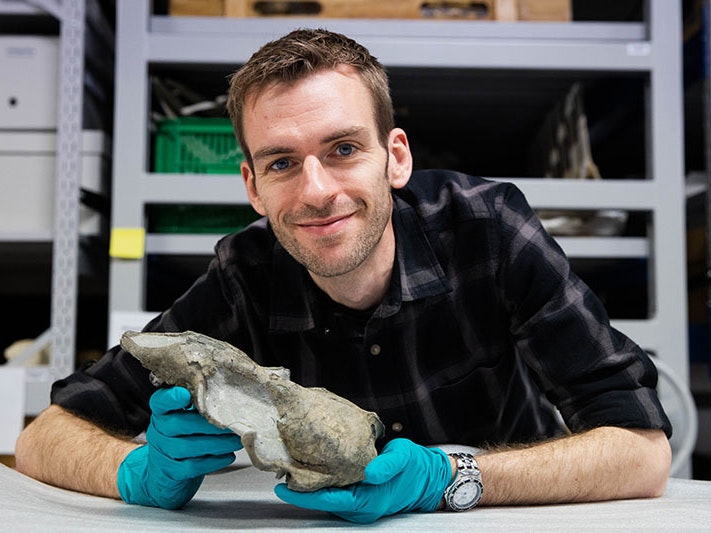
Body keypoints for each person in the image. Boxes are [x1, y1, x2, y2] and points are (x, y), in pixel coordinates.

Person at [15, 28, 672, 523]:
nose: (316, 190)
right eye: (280, 163)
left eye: (343, 149)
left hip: (501, 516)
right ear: (250, 185)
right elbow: (45, 437)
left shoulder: (489, 228)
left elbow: (641, 452)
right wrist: (136, 471)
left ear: (394, 156)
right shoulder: (244, 275)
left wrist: (446, 475)